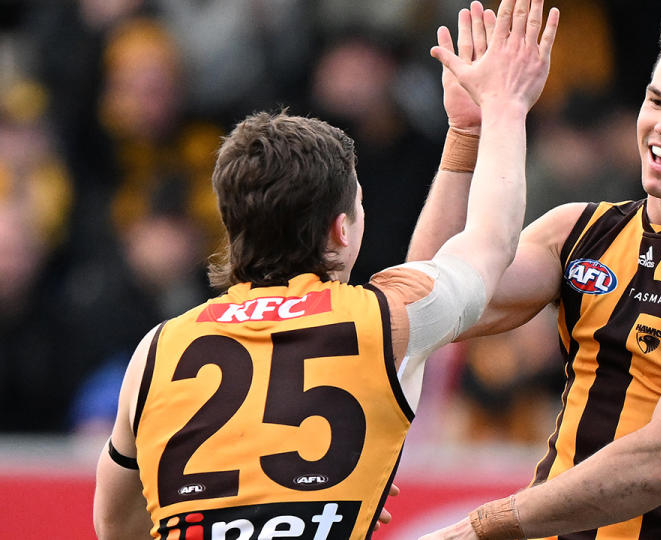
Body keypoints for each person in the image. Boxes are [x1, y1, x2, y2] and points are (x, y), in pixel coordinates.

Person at [92, 1, 559, 538]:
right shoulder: (382, 322)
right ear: (341, 230)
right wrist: (503, 109)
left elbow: (113, 522)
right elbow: (492, 241)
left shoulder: (156, 348)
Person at [411, 9, 661, 540]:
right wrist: (468, 132)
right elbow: (425, 306)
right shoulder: (577, 230)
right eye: (657, 101)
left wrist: (478, 528)